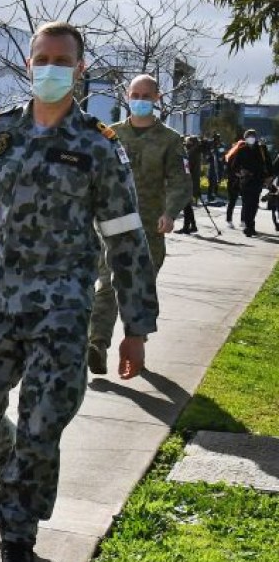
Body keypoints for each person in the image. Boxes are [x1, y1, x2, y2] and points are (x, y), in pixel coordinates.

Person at [0, 21, 157, 562]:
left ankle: (17, 536)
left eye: (63, 60)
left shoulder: (99, 146)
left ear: (80, 70)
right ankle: (22, 489)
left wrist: (136, 325)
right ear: (29, 65)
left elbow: (126, 238)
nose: (51, 67)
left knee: (40, 425)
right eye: (42, 58)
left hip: (63, 311)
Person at [86, 74, 191, 374]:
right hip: (111, 225)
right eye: (135, 94)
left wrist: (169, 213)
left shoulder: (170, 140)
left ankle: (136, 341)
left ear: (157, 99)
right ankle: (98, 343)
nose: (140, 100)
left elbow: (180, 183)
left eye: (147, 96)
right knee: (106, 285)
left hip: (149, 230)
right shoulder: (110, 135)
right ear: (127, 96)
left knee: (140, 286)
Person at [229, 129, 272, 236]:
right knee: (247, 203)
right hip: (246, 181)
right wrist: (240, 172)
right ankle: (249, 226)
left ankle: (250, 224)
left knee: (254, 204)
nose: (251, 138)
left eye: (252, 136)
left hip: (258, 180)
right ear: (245, 138)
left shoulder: (262, 149)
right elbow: (234, 166)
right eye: (249, 136)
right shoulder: (241, 150)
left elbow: (268, 163)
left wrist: (269, 177)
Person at [177, 134, 201, 234]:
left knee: (186, 204)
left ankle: (186, 227)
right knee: (187, 205)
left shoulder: (191, 154)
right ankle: (193, 225)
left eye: (187, 142)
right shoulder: (196, 153)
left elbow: (187, 168)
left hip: (188, 182)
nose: (186, 144)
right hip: (193, 181)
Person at [224, 136, 246, 225]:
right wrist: (237, 174)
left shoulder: (232, 156)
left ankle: (234, 220)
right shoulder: (233, 156)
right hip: (235, 181)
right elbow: (229, 170)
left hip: (237, 181)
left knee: (235, 201)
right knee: (234, 201)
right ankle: (234, 220)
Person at [206, 132, 222, 201]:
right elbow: (207, 157)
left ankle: (215, 194)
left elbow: (222, 156)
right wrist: (210, 153)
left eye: (217, 139)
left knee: (216, 182)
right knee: (211, 182)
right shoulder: (210, 146)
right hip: (211, 167)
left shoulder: (221, 146)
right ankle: (209, 196)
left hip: (218, 167)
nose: (216, 141)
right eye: (215, 139)